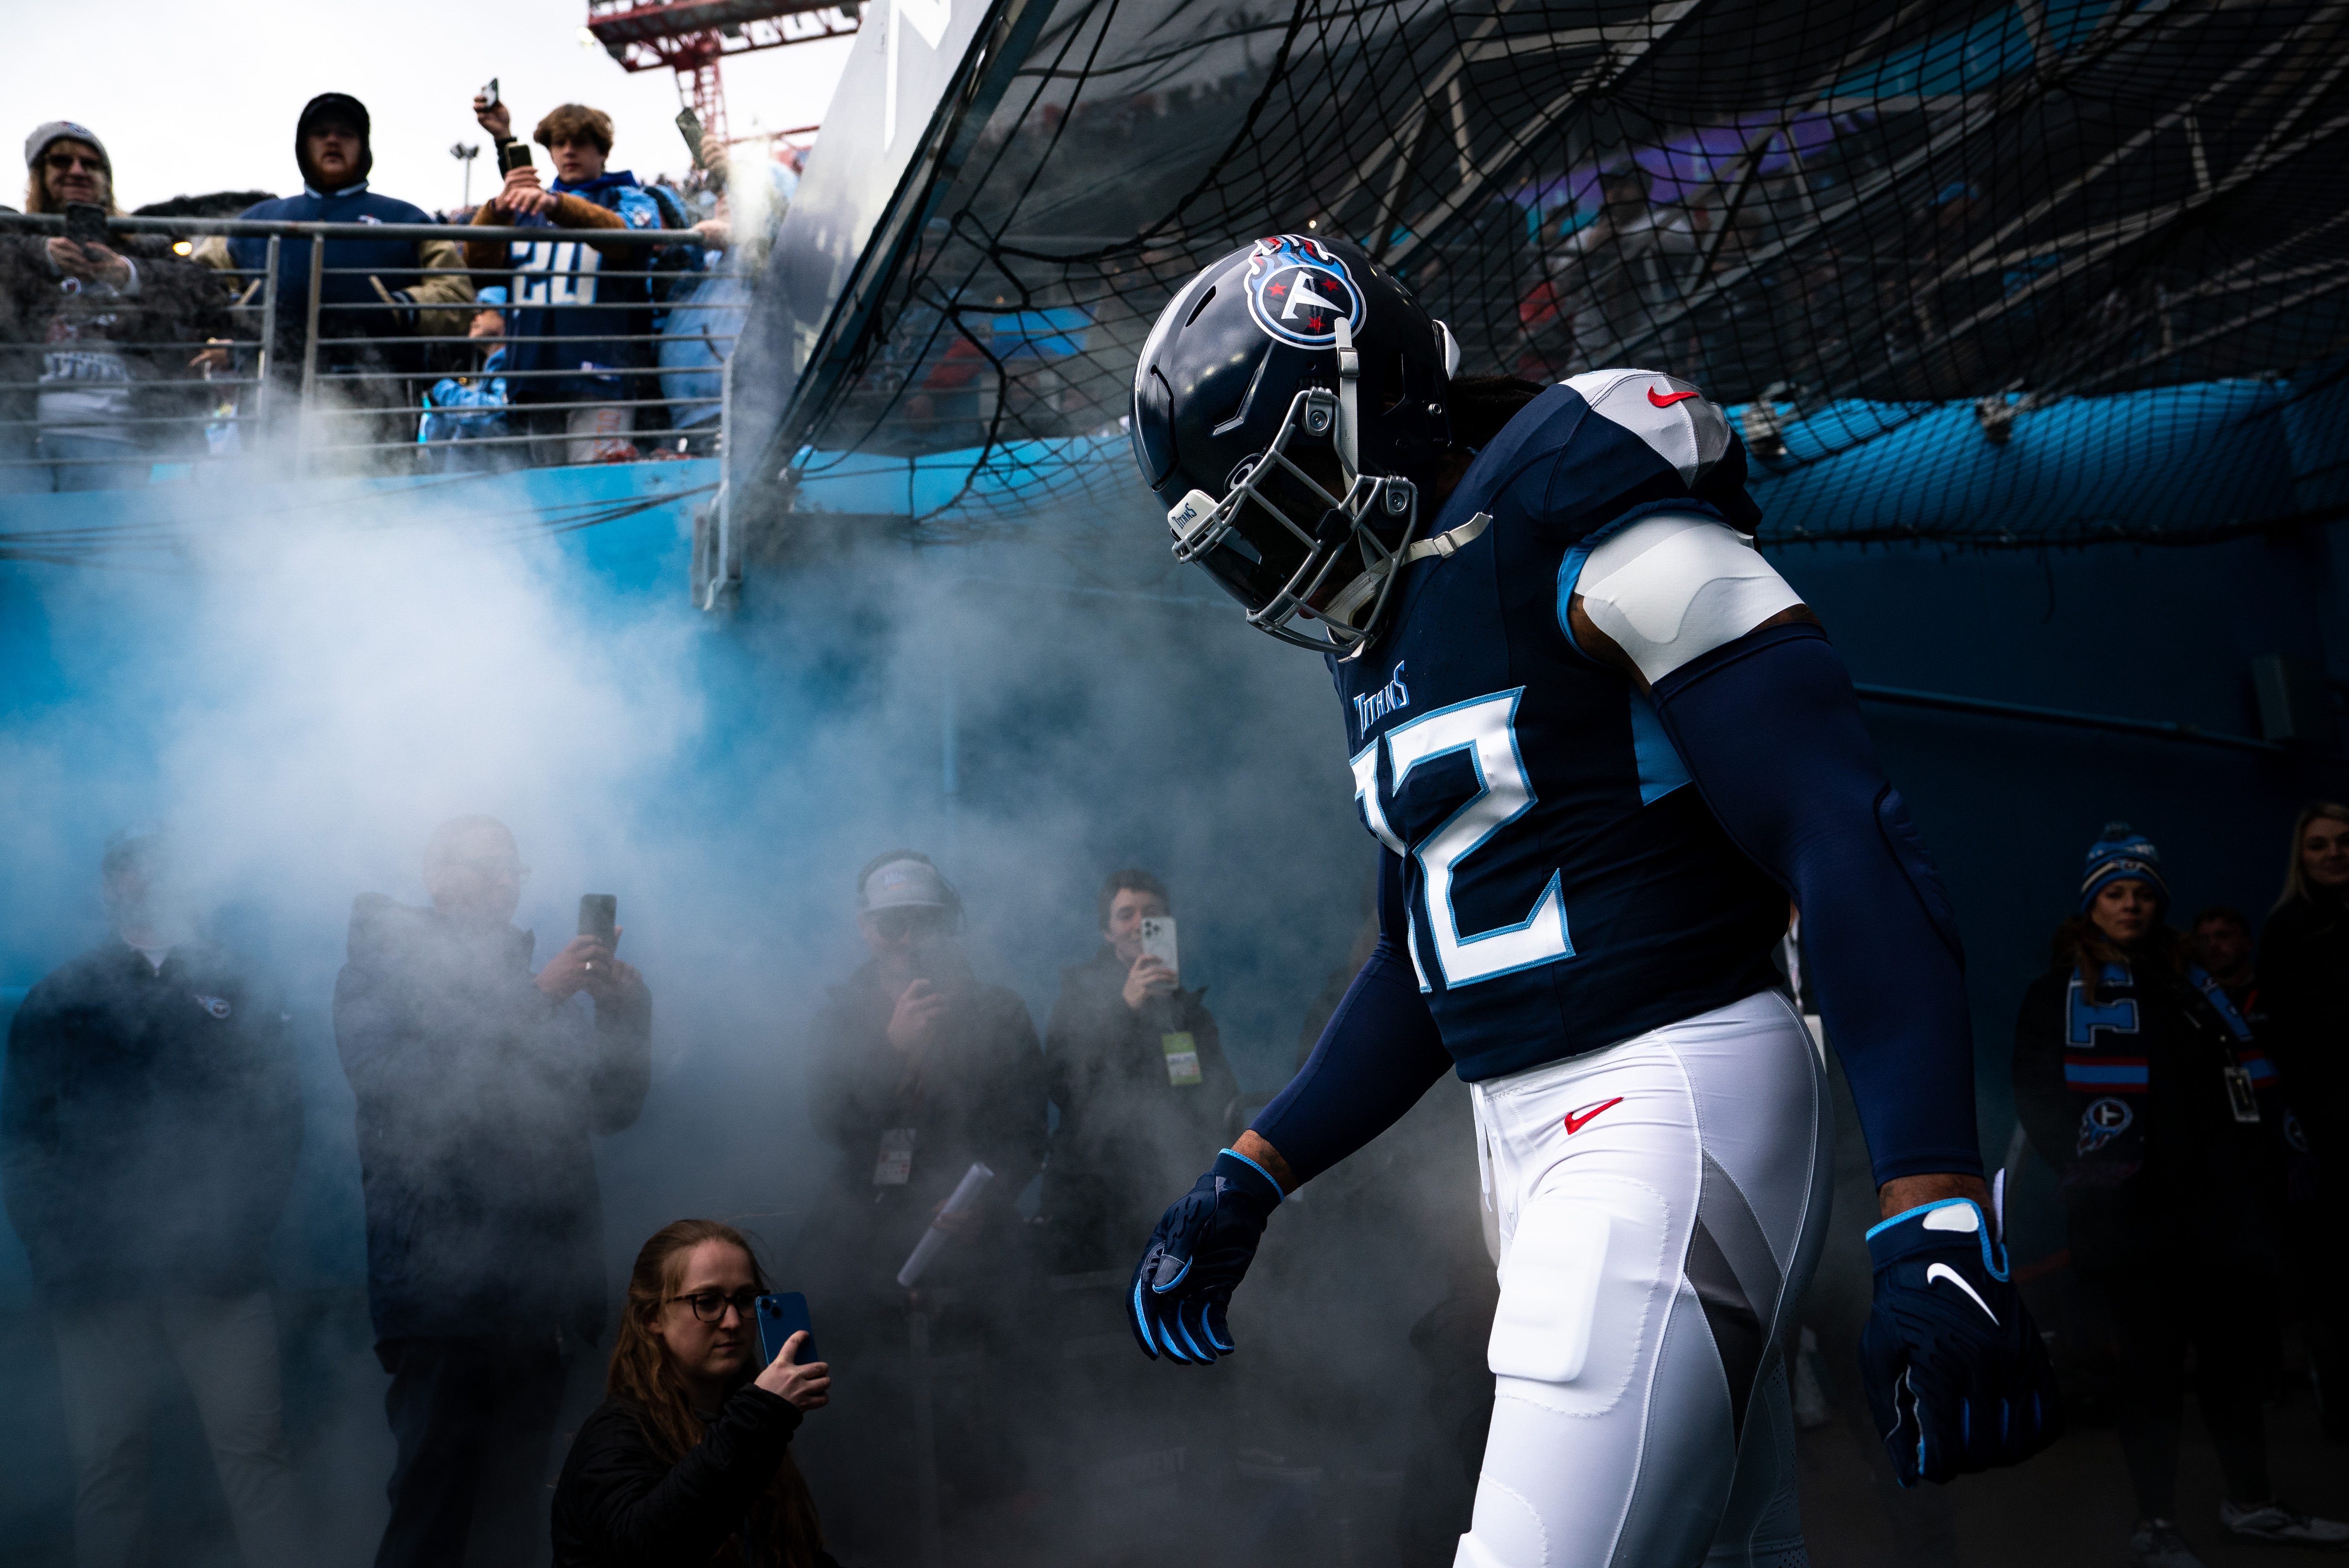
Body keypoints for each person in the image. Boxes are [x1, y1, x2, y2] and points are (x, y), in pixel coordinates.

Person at [1117, 233, 2058, 1568]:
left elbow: (1839, 830)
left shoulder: (1575, 501)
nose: (1275, 558)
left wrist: (1935, 1197)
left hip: (1666, 1098)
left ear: (1367, 405)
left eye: (1278, 499)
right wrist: (1253, 1169)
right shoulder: (1394, 611)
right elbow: (1424, 956)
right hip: (1537, 1142)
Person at [2012, 824, 2346, 1566]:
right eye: (2113, 893)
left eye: (2140, 894)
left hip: (2216, 1218)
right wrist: (2084, 1169)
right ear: (2090, 905)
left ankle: (2251, 1503)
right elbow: (2036, 1097)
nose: (2128, 905)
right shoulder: (2057, 992)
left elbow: (2235, 1092)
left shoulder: (2192, 988)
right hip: (2128, 1220)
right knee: (2148, 1374)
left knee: (2232, 1367)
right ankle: (2155, 1523)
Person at [332, 814, 652, 1568]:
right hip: (439, 1294)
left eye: (511, 869)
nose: (501, 883)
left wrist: (621, 1012)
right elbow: (402, 1088)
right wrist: (536, 998)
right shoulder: (379, 966)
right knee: (431, 1513)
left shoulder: (526, 981)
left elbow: (611, 1108)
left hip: (536, 1292)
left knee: (516, 1524)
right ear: (435, 875)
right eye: (481, 865)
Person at [0, 831, 305, 1568]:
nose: (147, 888)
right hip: (98, 1280)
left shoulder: (242, 988)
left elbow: (279, 1126)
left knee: (255, 1458)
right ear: (111, 890)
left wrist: (237, 1236)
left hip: (222, 1276)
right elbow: (24, 1145)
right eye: (131, 877)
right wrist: (64, 1260)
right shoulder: (58, 999)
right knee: (107, 1466)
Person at [798, 851, 1045, 1537]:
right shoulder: (840, 1013)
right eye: (892, 926)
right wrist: (889, 1049)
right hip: (870, 1218)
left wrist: (983, 1203)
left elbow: (1025, 1130)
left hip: (971, 1217)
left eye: (924, 924)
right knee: (815, 1309)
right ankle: (858, 1516)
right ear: (865, 928)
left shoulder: (997, 1009)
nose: (908, 941)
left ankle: (1007, 1498)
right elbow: (830, 1124)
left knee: (1022, 1302)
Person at [194, 94, 475, 461]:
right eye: (321, 133)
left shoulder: (406, 219)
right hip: (272, 399)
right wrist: (240, 309)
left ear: (364, 147)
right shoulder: (257, 221)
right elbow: (200, 280)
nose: (332, 141)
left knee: (375, 507)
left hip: (378, 401)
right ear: (302, 146)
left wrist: (398, 307)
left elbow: (457, 293)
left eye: (345, 134)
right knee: (271, 504)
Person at [552, 1219, 838, 1568]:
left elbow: (795, 1555)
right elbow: (648, 1549)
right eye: (707, 1301)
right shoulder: (613, 1435)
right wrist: (761, 1415)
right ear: (650, 1318)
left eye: (746, 1299)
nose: (732, 1320)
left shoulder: (739, 1418)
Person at [2, 122, 234, 490]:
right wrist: (41, 254)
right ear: (38, 176)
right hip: (19, 443)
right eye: (61, 161)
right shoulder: (15, 237)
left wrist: (128, 274)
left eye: (91, 164)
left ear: (107, 181)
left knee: (115, 545)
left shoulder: (146, 247)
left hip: (125, 445)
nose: (77, 170)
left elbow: (211, 294)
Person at [464, 95, 693, 465]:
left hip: (602, 380)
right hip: (534, 379)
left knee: (599, 493)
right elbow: (478, 267)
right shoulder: (528, 210)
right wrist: (493, 211)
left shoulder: (628, 198)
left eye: (581, 143)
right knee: (548, 500)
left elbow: (624, 237)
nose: (569, 151)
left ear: (602, 152)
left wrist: (559, 205)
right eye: (559, 143)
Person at [1042, 868, 1240, 1273]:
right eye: (1125, 915)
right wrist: (1124, 1010)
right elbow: (1065, 1086)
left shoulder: (1192, 1015)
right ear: (1107, 932)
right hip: (1097, 1204)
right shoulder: (1077, 1000)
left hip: (1176, 1195)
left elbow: (1222, 1102)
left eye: (1150, 913)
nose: (1137, 925)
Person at [2258, 800, 2349, 1438]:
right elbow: (2290, 1045)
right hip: (2329, 1129)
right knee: (2333, 1277)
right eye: (2319, 845)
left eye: (2343, 842)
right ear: (2303, 855)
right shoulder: (2288, 929)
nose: (2334, 854)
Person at [417, 286, 514, 472]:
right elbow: (439, 449)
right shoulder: (490, 373)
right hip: (466, 490)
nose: (474, 317)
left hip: (496, 488)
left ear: (507, 315)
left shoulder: (514, 367)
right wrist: (438, 406)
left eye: (482, 309)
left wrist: (443, 388)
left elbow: (497, 421)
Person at [2187, 905, 2257, 1015]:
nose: (2212, 945)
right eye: (2204, 940)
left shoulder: (2275, 989)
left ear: (2248, 943)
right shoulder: (2192, 1000)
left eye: (2223, 936)